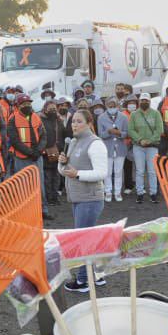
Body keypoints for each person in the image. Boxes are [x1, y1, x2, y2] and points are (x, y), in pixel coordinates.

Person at [60, 109, 109, 293]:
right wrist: (62, 163)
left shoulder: (95, 144)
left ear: (89, 123)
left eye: (79, 121)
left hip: (90, 199)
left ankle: (83, 281)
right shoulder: (73, 142)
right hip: (78, 198)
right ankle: (97, 275)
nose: (74, 124)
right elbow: (65, 172)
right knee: (87, 239)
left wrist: (78, 174)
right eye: (73, 121)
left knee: (82, 240)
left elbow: (101, 173)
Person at [7, 93, 50, 211]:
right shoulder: (12, 119)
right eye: (24, 104)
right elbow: (15, 141)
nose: (27, 106)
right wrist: (31, 152)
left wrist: (39, 150)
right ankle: (26, 211)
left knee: (39, 184)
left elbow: (43, 136)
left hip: (37, 157)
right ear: (18, 106)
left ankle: (43, 209)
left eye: (28, 103)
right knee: (23, 186)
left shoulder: (36, 117)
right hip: (21, 158)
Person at [129, 92, 163, 203]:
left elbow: (160, 130)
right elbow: (131, 130)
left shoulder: (156, 113)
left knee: (152, 171)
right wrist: (140, 140)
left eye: (146, 100)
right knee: (139, 171)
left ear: (149, 101)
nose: (144, 102)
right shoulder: (134, 114)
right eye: (142, 100)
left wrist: (150, 140)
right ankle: (140, 193)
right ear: (139, 101)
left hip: (152, 146)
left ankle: (153, 193)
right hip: (138, 146)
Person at [97, 95, 129, 202]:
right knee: (108, 172)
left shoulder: (124, 117)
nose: (112, 108)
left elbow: (126, 133)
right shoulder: (101, 117)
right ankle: (108, 192)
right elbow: (101, 134)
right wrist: (109, 131)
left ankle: (118, 192)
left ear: (117, 106)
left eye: (114, 106)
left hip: (120, 148)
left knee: (119, 171)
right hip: (107, 148)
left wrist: (119, 133)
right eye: (110, 106)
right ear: (106, 106)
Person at [39, 99, 66, 204]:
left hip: (57, 151)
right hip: (45, 152)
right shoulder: (40, 120)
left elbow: (63, 135)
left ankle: (55, 197)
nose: (53, 110)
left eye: (54, 108)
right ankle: (48, 198)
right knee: (47, 176)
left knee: (56, 176)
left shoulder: (59, 120)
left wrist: (62, 149)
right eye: (50, 109)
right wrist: (42, 149)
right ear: (45, 109)